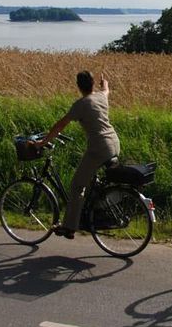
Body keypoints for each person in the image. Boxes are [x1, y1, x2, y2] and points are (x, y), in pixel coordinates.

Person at [36, 70, 121, 239]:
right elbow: (106, 90)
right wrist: (104, 83)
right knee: (90, 183)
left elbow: (60, 125)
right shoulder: (100, 97)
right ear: (92, 84)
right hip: (114, 143)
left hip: (99, 148)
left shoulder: (81, 104)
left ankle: (69, 227)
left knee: (76, 186)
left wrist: (43, 142)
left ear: (78, 86)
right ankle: (91, 214)